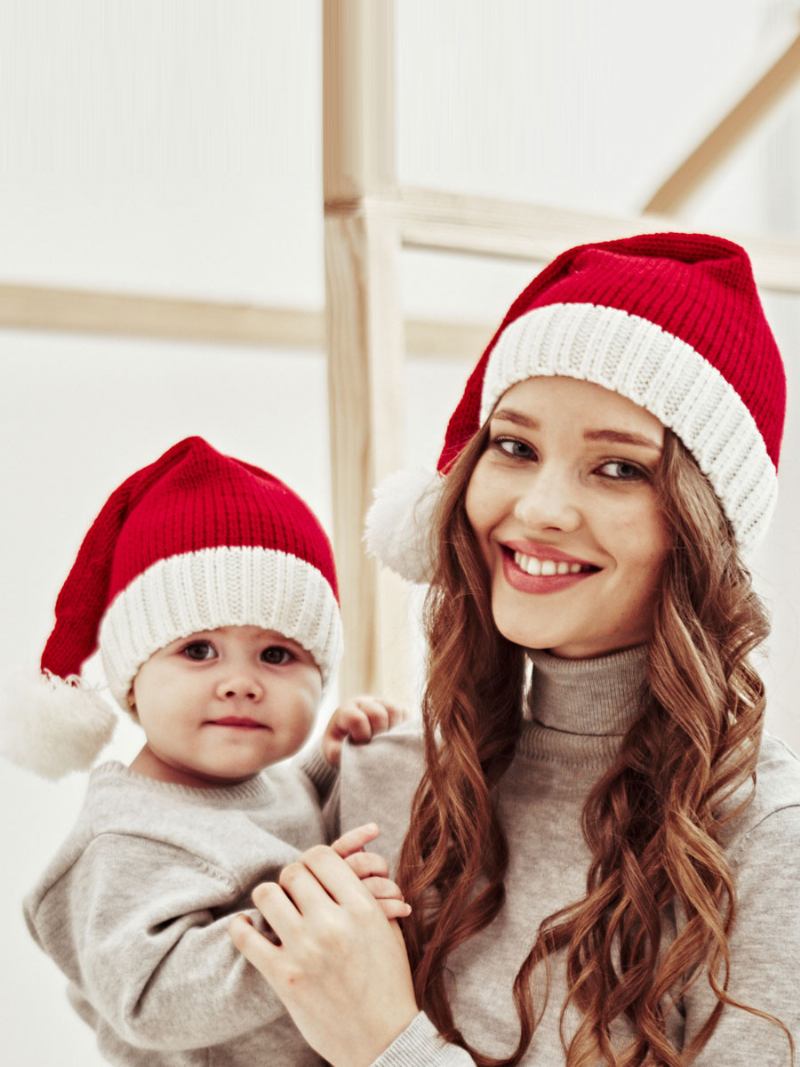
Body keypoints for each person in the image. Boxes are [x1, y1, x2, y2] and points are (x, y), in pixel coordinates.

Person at [231, 233, 800, 1066]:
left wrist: (389, 1044)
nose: (538, 508)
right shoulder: (378, 781)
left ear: (704, 527)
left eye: (616, 469)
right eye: (515, 446)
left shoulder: (762, 844)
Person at [5, 436, 408, 1066]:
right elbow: (147, 999)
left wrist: (329, 763)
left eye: (277, 655)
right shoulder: (126, 838)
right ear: (133, 677)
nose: (240, 681)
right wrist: (302, 925)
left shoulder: (261, 779)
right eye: (199, 651)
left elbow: (277, 814)